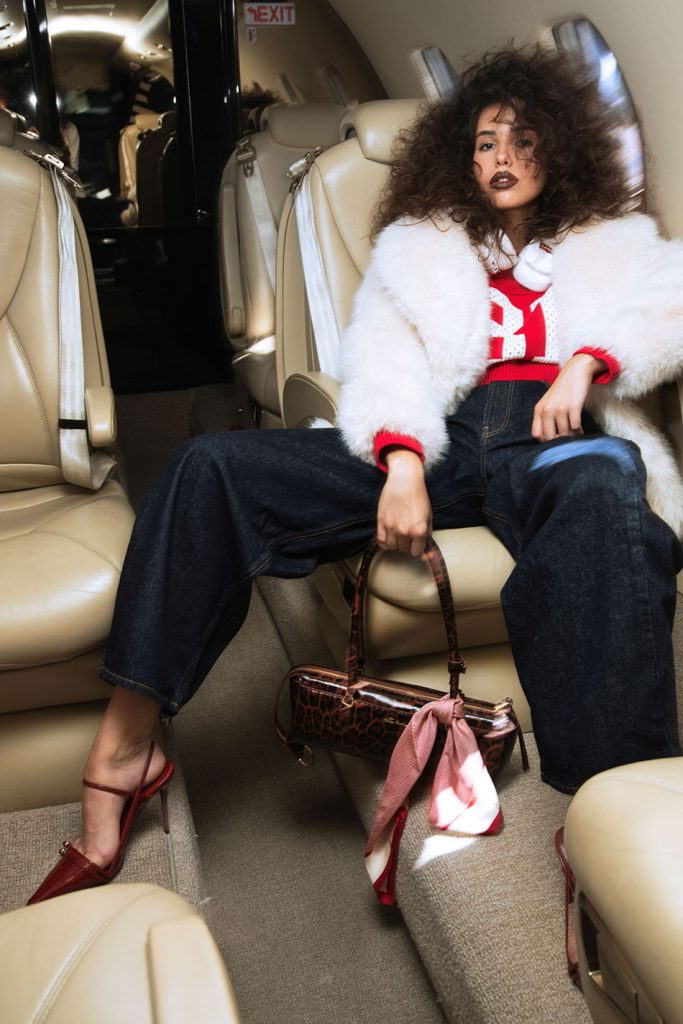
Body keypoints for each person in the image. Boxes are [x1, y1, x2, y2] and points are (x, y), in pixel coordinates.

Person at [28, 47, 683, 912]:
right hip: (445, 437)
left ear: (559, 147)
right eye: (484, 142)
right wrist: (402, 461)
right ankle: (125, 749)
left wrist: (585, 362)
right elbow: (382, 360)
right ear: (460, 157)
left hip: (554, 438)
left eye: (523, 139)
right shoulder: (420, 247)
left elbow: (669, 303)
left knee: (601, 482)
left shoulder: (615, 240)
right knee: (208, 467)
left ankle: (612, 807)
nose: (502, 157)